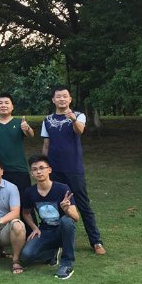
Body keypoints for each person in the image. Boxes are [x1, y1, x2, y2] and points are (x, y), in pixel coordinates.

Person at [42, 85, 106, 255]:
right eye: (58, 96)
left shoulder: (78, 116)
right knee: (57, 205)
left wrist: (72, 119)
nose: (61, 99)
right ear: (53, 100)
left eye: (65, 96)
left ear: (70, 99)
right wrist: (44, 167)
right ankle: (60, 241)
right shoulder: (47, 120)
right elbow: (46, 145)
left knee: (83, 205)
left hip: (74, 169)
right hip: (54, 169)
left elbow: (80, 130)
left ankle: (96, 241)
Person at [21, 155, 80, 280]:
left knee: (67, 220)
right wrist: (34, 227)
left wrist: (67, 209)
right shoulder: (30, 192)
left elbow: (76, 217)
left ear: (49, 170)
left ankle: (67, 264)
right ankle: (51, 254)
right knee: (26, 255)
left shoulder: (62, 189)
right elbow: (26, 213)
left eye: (42, 168)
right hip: (45, 230)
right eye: (35, 169)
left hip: (62, 230)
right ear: (31, 173)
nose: (39, 172)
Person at [0, 93, 36, 234]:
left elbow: (31, 135)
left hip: (19, 169)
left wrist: (26, 129)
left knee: (25, 203)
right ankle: (1, 235)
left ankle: (31, 233)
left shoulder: (20, 122)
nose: (3, 105)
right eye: (0, 103)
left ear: (12, 106)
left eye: (7, 103)